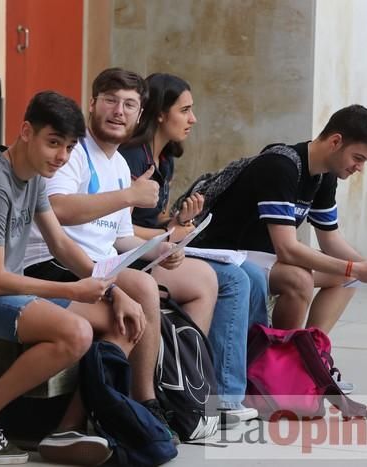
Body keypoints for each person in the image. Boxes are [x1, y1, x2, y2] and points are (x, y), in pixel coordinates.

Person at [24, 68, 253, 424]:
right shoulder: (75, 151)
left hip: (102, 264)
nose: (119, 111)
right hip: (58, 263)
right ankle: (146, 399)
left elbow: (120, 237)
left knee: (204, 279)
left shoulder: (117, 163)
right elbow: (58, 209)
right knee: (142, 289)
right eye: (111, 101)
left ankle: (180, 384)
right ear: (92, 104)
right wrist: (128, 195)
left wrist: (164, 247)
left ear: (140, 114)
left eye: (129, 104)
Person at [0, 91, 147, 466]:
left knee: (121, 321)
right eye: (53, 143)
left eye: (68, 147)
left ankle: (69, 428)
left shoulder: (32, 179)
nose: (61, 157)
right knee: (76, 332)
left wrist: (115, 293)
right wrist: (72, 290)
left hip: (1, 294)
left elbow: (61, 244)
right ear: (26, 131)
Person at [118, 72, 267, 421]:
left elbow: (154, 221)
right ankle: (214, 394)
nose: (192, 119)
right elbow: (119, 227)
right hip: (131, 257)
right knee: (234, 280)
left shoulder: (165, 158)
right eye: (184, 110)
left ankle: (241, 380)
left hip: (159, 247)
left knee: (253, 274)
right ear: (159, 113)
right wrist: (166, 237)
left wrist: (178, 222)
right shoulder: (132, 158)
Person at [187, 104, 367, 341]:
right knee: (298, 279)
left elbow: (330, 240)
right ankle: (279, 363)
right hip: (225, 254)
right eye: (358, 158)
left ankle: (311, 354)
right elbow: (287, 249)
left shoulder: (325, 176)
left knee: (347, 277)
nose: (360, 168)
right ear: (335, 142)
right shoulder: (280, 167)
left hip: (263, 258)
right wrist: (354, 267)